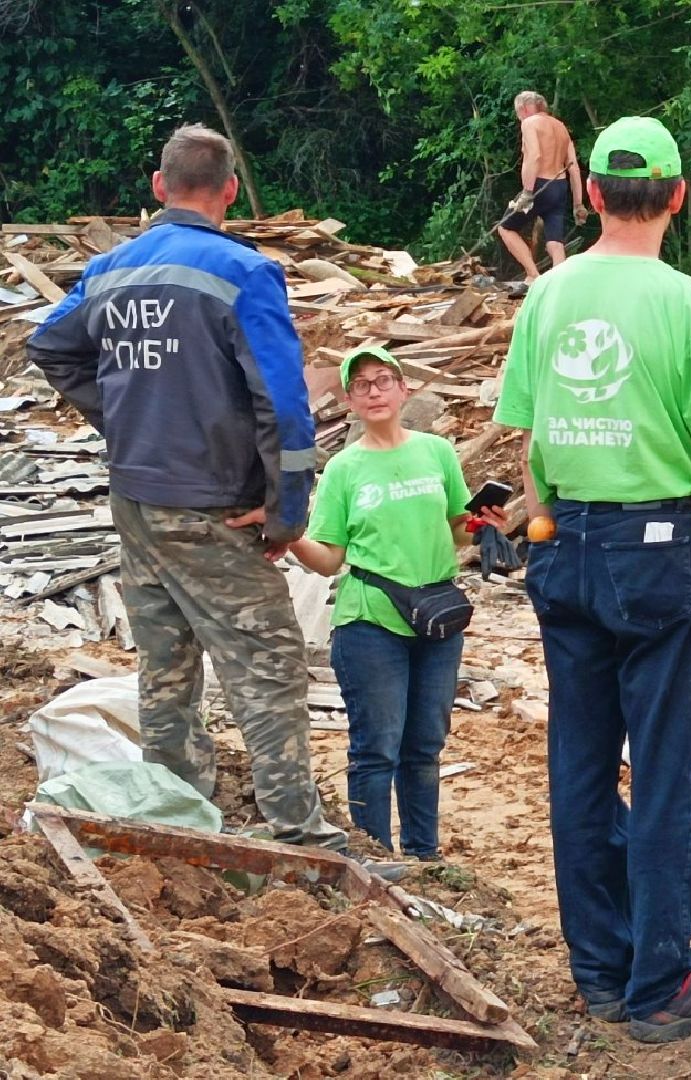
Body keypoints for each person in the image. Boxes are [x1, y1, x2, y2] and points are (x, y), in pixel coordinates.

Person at [493, 115, 691, 1044]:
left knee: (578, 766)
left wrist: (547, 531)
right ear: (678, 197)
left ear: (593, 194)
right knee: (668, 771)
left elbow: (532, 445)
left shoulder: (547, 296)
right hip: (660, 551)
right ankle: (658, 987)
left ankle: (601, 975)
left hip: (565, 543)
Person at [26, 123, 346, 850]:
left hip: (136, 500)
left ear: (158, 186)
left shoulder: (110, 269)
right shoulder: (243, 272)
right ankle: (301, 838)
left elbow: (50, 345)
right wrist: (287, 511)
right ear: (230, 189)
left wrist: (123, 419)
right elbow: (285, 405)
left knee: (165, 664)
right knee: (268, 666)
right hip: (214, 508)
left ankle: (173, 816)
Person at [287, 346, 505, 860]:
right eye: (361, 385)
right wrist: (289, 536)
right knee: (376, 748)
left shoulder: (437, 452)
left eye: (384, 379)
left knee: (424, 745)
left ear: (405, 388)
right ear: (349, 401)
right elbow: (329, 559)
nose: (375, 392)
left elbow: (457, 530)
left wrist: (481, 523)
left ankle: (424, 856)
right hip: (371, 621)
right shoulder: (343, 469)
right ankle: (375, 859)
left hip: (437, 620)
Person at [497, 91, 587, 280]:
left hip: (539, 186)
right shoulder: (561, 127)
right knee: (555, 241)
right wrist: (578, 204)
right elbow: (573, 167)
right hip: (559, 186)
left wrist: (527, 192)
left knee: (505, 228)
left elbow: (535, 156)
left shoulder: (530, 123)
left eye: (518, 113)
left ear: (524, 108)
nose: (519, 118)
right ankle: (560, 282)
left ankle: (533, 276)